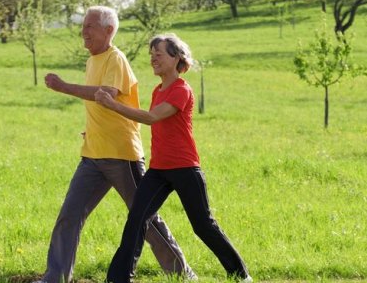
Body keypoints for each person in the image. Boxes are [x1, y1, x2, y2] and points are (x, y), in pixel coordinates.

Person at [35, 6, 195, 283]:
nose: (83, 32)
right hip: (92, 156)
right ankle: (55, 278)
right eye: (83, 26)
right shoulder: (91, 61)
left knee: (145, 219)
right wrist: (92, 130)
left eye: (90, 26)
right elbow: (102, 108)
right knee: (69, 215)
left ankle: (182, 274)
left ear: (109, 30)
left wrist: (63, 86)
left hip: (122, 155)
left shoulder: (115, 59)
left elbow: (103, 95)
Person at [95, 33, 253, 283]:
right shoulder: (158, 90)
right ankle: (118, 278)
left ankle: (241, 275)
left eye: (159, 53)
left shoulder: (181, 89)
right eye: (151, 54)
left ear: (177, 57)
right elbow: (148, 120)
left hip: (185, 168)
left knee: (203, 226)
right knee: (136, 219)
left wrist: (113, 105)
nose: (153, 58)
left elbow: (151, 117)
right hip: (158, 170)